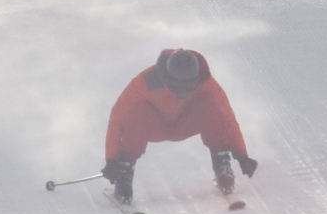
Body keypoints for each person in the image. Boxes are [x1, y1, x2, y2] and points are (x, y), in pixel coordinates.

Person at [102, 48, 257, 204]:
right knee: (139, 111)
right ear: (166, 78)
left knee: (211, 105)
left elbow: (227, 117)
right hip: (154, 125)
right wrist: (111, 159)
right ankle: (124, 174)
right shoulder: (145, 81)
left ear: (196, 79)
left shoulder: (206, 82)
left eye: (189, 87)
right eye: (177, 86)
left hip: (184, 124)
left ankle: (222, 164)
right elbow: (117, 118)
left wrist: (242, 155)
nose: (183, 92)